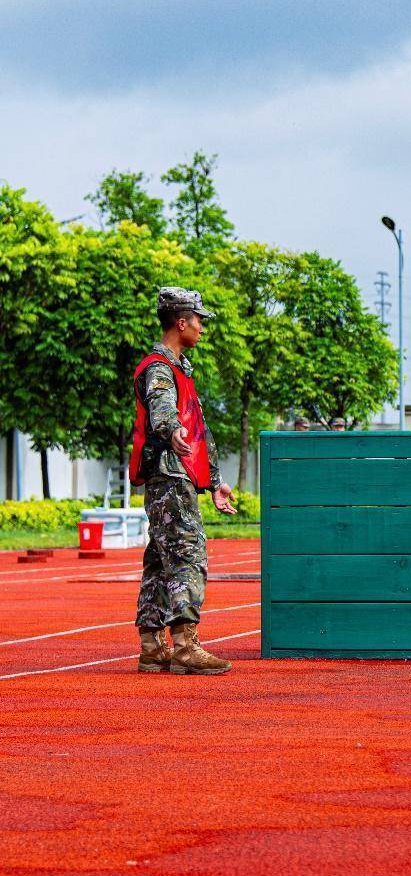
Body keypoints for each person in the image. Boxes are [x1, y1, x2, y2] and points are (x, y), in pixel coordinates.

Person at [128, 287, 237, 675]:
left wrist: (215, 481)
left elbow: (197, 428)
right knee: (187, 554)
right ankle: (185, 644)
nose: (202, 327)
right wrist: (171, 429)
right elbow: (164, 411)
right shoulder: (160, 368)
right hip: (169, 477)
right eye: (199, 319)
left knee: (160, 560)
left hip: (177, 475)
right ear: (181, 322)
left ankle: (151, 645)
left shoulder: (179, 367)